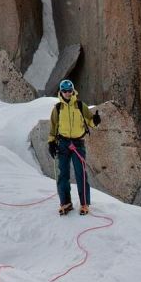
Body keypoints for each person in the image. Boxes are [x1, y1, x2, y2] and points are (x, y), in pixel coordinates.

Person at [48, 79, 101, 215]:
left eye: (69, 90)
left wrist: (95, 121)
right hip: (63, 143)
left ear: (73, 91)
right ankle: (65, 203)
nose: (67, 93)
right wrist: (51, 142)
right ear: (61, 92)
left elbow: (89, 120)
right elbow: (53, 127)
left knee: (80, 174)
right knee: (63, 174)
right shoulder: (58, 108)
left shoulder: (80, 105)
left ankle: (84, 204)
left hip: (78, 143)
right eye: (64, 91)